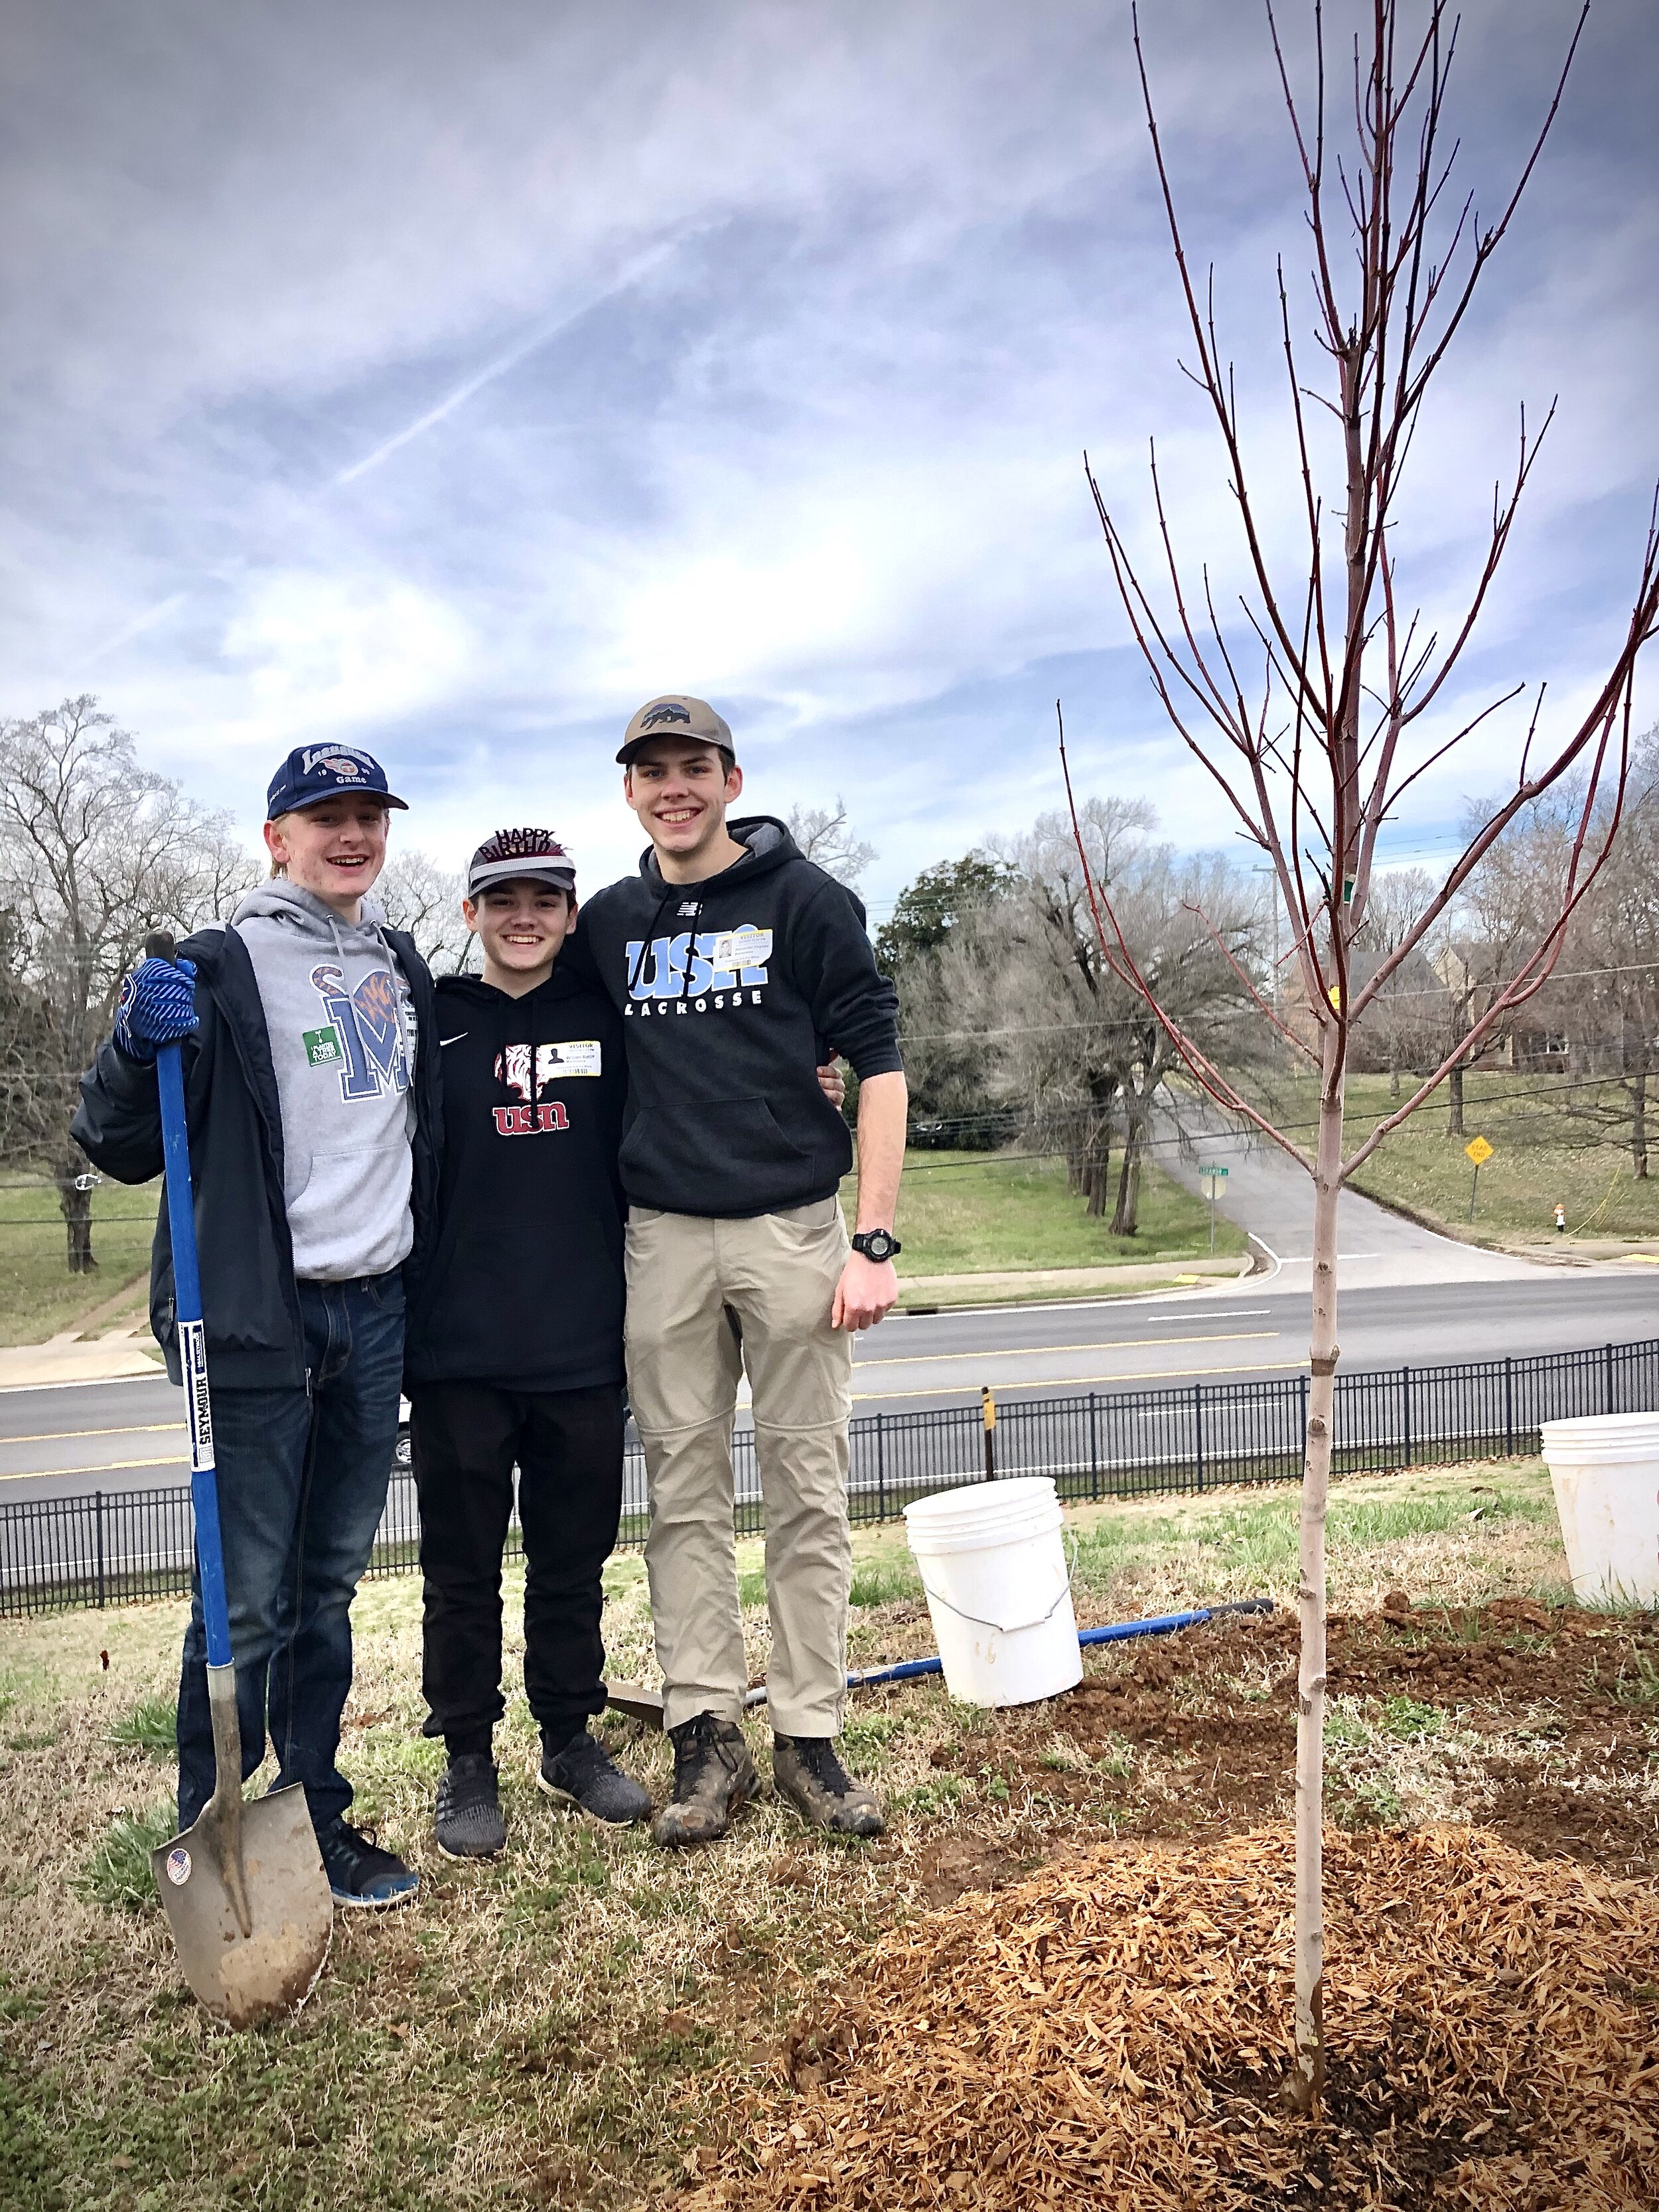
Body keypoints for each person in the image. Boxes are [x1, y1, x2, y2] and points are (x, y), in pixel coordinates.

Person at [72, 745, 439, 1908]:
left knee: (327, 1590)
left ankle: (316, 1816)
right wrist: (135, 1045)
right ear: (277, 837)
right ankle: (213, 1837)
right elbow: (116, 1139)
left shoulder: (401, 966)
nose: (353, 835)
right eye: (326, 817)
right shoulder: (214, 967)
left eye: (369, 815)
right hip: (255, 1326)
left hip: (373, 1311)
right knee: (243, 1603)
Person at [566, 694, 908, 1847]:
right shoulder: (611, 923)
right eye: (652, 770)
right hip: (662, 1235)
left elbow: (878, 1063)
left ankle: (809, 1735)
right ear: (629, 790)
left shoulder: (805, 900)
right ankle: (705, 1737)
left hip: (790, 1229)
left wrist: (872, 1240)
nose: (675, 787)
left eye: (694, 766)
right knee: (683, 1497)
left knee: (808, 1488)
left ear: (731, 778)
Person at [401, 827, 652, 1855]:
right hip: (457, 1350)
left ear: (570, 913)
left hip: (583, 1343)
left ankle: (568, 1737)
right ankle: (467, 1756)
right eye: (502, 900)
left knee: (571, 1564)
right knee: (460, 1574)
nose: (523, 917)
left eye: (544, 899)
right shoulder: (432, 1020)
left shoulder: (609, 1014)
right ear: (470, 912)